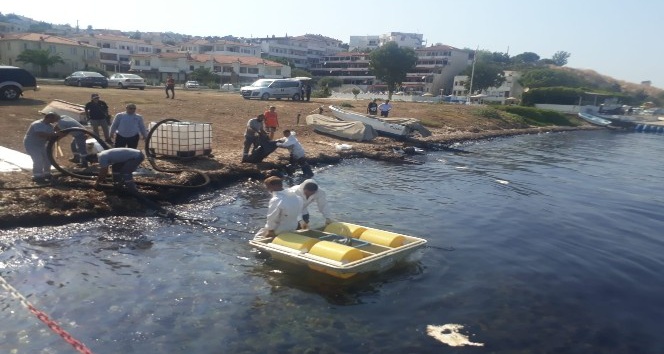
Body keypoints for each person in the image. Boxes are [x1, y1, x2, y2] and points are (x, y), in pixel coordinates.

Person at [23, 112, 62, 183]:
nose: (55, 121)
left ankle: (47, 174)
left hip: (41, 144)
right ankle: (37, 176)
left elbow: (49, 137)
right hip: (31, 144)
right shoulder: (37, 124)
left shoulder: (50, 126)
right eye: (55, 119)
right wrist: (54, 134)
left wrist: (57, 135)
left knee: (48, 158)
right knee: (38, 159)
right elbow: (40, 134)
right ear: (49, 118)